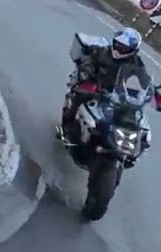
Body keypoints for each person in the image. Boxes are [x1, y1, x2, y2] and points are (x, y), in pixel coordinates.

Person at [59, 26, 152, 157]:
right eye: (118, 44)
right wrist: (89, 75)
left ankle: (134, 149)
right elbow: (87, 63)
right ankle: (67, 126)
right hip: (96, 86)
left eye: (124, 47)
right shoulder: (101, 52)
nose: (119, 48)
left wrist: (149, 93)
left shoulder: (137, 63)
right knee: (78, 96)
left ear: (133, 51)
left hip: (118, 96)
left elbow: (142, 80)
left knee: (135, 120)